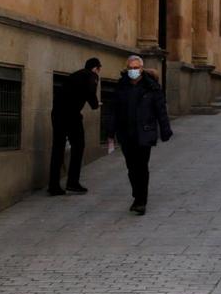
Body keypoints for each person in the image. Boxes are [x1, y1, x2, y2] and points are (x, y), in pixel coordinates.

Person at [106, 55, 172, 215]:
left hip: (144, 132)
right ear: (126, 69)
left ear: (141, 69)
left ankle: (141, 200)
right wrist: (110, 133)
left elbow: (160, 110)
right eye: (130, 68)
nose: (133, 71)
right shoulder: (121, 87)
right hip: (126, 133)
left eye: (136, 68)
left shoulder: (151, 87)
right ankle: (137, 193)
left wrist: (165, 130)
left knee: (142, 166)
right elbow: (113, 112)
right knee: (131, 166)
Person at [48, 57, 102, 196]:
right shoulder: (92, 75)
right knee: (78, 146)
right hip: (71, 115)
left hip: (58, 113)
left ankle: (53, 185)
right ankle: (72, 182)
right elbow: (91, 91)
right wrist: (96, 104)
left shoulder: (75, 75)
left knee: (58, 148)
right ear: (96, 68)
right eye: (99, 70)